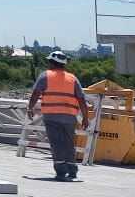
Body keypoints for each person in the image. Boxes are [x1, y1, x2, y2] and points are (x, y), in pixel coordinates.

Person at [27, 50, 91, 181]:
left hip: (51, 117)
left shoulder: (45, 76)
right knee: (69, 143)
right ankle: (72, 170)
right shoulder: (72, 78)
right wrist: (85, 117)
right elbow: (81, 99)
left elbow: (35, 94)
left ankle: (61, 172)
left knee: (56, 144)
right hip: (69, 117)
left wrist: (30, 108)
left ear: (51, 63)